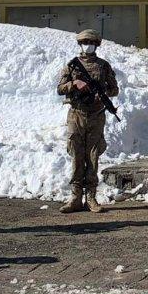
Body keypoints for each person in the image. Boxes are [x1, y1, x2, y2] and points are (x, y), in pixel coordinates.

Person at [57, 28, 120, 214]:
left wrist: (103, 93)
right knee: (76, 154)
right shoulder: (71, 65)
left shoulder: (103, 66)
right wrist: (74, 84)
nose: (88, 46)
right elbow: (60, 89)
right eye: (85, 43)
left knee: (93, 155)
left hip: (96, 114)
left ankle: (91, 197)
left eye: (91, 43)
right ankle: (75, 197)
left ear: (97, 45)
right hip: (77, 114)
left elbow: (114, 89)